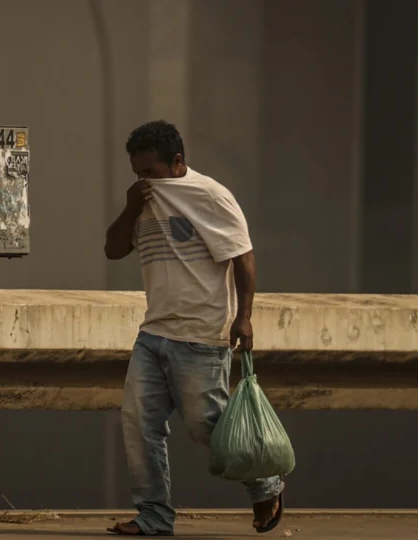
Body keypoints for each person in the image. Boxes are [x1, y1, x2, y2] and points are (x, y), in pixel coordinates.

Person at [104, 120, 284, 536]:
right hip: (153, 334)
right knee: (138, 422)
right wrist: (132, 204)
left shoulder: (210, 196)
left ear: (177, 162)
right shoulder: (143, 200)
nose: (144, 181)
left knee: (207, 425)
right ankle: (153, 515)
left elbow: (243, 257)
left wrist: (244, 316)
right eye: (137, 173)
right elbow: (114, 250)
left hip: (201, 334)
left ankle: (265, 484)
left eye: (150, 172)